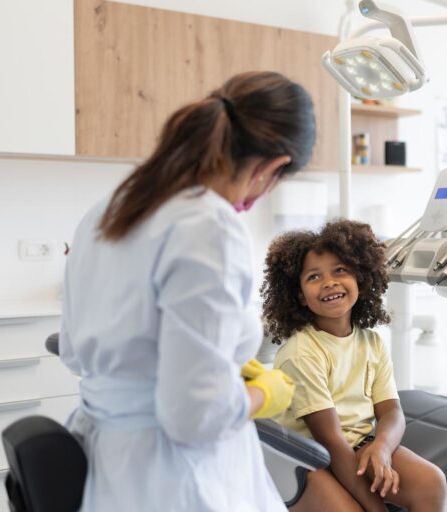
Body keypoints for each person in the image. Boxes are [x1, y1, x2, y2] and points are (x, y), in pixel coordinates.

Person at [59, 71, 315, 511]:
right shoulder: (209, 224)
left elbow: (73, 351)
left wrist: (215, 363)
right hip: (180, 479)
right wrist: (264, 393)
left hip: (112, 465)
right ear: (271, 168)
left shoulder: (110, 208)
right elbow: (193, 417)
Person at [261, 220, 447, 512]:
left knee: (431, 482)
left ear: (360, 278)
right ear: (299, 295)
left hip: (360, 445)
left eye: (340, 270)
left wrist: (382, 448)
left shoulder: (371, 343)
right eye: (313, 277)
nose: (329, 282)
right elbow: (332, 441)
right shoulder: (301, 353)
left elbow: (392, 412)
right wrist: (377, 509)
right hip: (307, 458)